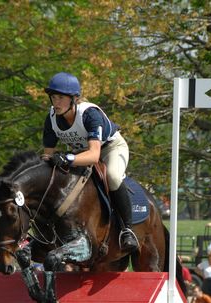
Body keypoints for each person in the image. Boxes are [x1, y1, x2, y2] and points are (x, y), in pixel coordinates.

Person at [41, 72, 138, 252]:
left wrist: (67, 158)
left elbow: (94, 156)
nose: (56, 102)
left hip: (110, 148)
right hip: (80, 153)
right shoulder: (52, 119)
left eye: (61, 98)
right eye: (53, 97)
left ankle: (127, 230)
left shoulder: (89, 115)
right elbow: (47, 156)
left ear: (74, 99)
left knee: (112, 176)